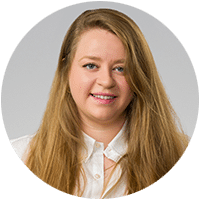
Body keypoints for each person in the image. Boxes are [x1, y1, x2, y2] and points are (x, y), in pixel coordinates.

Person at [11, 8, 189, 199]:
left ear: (139, 76)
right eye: (91, 65)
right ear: (66, 69)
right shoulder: (18, 158)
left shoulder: (182, 157)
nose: (106, 81)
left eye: (120, 68)